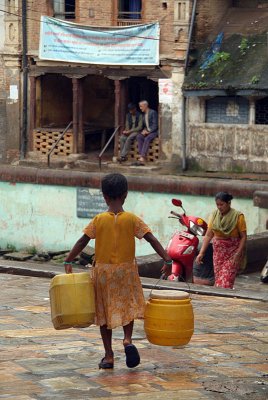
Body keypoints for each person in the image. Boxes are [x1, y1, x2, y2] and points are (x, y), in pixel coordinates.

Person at [64, 173, 172, 369]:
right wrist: (167, 259)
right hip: (126, 271)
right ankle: (127, 340)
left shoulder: (98, 220)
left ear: (104, 196)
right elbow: (152, 239)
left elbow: (82, 241)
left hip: (103, 273)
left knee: (104, 312)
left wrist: (68, 260)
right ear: (126, 195)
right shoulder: (132, 219)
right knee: (127, 307)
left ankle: (109, 356)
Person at [196, 192, 247, 289]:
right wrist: (201, 253)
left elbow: (243, 237)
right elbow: (208, 235)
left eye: (221, 204)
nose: (219, 207)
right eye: (217, 205)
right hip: (218, 253)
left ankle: (223, 300)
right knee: (219, 278)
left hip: (233, 252)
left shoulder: (238, 216)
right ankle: (221, 301)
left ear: (229, 203)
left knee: (226, 280)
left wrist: (238, 253)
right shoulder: (214, 216)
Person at [135, 100, 158, 166]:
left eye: (141, 106)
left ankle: (142, 156)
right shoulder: (144, 115)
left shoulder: (153, 112)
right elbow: (145, 126)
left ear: (145, 106)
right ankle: (141, 155)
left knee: (147, 138)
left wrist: (148, 131)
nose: (140, 108)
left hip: (153, 131)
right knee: (139, 136)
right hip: (147, 131)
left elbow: (155, 125)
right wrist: (144, 130)